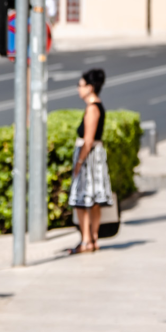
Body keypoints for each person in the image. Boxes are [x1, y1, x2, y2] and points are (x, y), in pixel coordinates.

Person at [67, 69, 111, 254]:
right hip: (95, 156)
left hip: (89, 157)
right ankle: (93, 239)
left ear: (90, 88)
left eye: (81, 85)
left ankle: (87, 240)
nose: (78, 88)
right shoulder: (97, 106)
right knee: (92, 200)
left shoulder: (92, 108)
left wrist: (79, 163)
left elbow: (88, 140)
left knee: (83, 199)